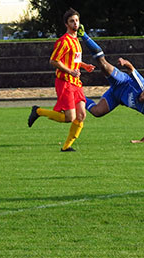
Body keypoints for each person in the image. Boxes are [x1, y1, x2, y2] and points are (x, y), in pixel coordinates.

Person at [27, 8, 95, 152]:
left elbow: (74, 60)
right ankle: (38, 111)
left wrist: (84, 65)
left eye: (77, 20)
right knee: (70, 117)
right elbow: (54, 61)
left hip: (76, 83)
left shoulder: (76, 41)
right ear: (66, 24)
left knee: (81, 115)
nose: (75, 23)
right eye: (72, 21)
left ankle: (66, 147)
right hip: (65, 82)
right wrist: (70, 71)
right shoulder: (63, 41)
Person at [76, 26, 144, 143]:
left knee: (97, 112)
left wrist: (142, 141)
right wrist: (124, 62)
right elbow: (131, 68)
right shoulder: (141, 85)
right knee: (103, 64)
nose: (142, 97)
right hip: (121, 81)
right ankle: (83, 34)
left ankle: (77, 96)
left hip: (116, 97)